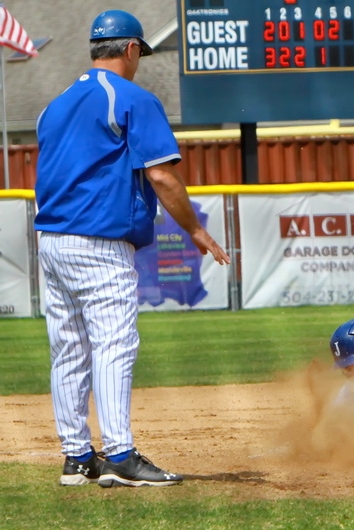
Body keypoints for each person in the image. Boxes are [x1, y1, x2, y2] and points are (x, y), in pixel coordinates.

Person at [34, 10, 230, 487]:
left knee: (69, 350)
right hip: (99, 242)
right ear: (132, 49)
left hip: (51, 240)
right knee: (114, 345)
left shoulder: (55, 104)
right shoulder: (131, 98)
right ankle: (120, 455)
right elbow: (162, 174)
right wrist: (196, 231)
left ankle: (77, 458)